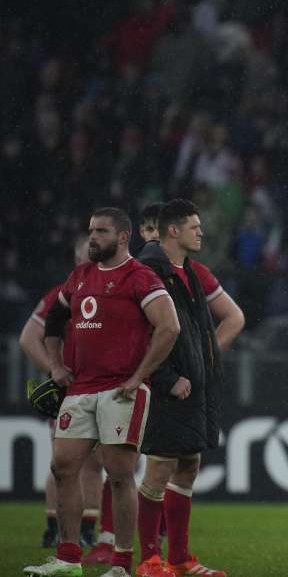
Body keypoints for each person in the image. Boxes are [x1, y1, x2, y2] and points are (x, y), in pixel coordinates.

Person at [25, 208, 181, 577]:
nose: (92, 237)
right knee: (63, 467)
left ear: (123, 237)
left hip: (121, 390)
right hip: (80, 388)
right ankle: (67, 558)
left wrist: (140, 376)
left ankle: (122, 563)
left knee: (120, 474)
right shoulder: (79, 277)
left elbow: (169, 328)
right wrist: (56, 366)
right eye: (91, 230)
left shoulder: (140, 277)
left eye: (101, 232)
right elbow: (55, 321)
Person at [133, 199, 245, 577]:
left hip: (194, 385)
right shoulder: (149, 270)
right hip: (167, 386)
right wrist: (165, 377)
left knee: (188, 466)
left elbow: (210, 327)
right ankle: (149, 560)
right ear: (174, 231)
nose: (201, 232)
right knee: (159, 468)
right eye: (195, 227)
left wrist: (204, 361)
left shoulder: (189, 272)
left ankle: (179, 558)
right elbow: (142, 333)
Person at [21, 237, 107, 553]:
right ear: (75, 258)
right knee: (65, 462)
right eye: (87, 253)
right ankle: (56, 529)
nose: (92, 259)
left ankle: (85, 529)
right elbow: (28, 338)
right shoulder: (63, 294)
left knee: (95, 462)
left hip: (100, 385)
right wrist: (56, 371)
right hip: (72, 389)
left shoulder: (108, 291)